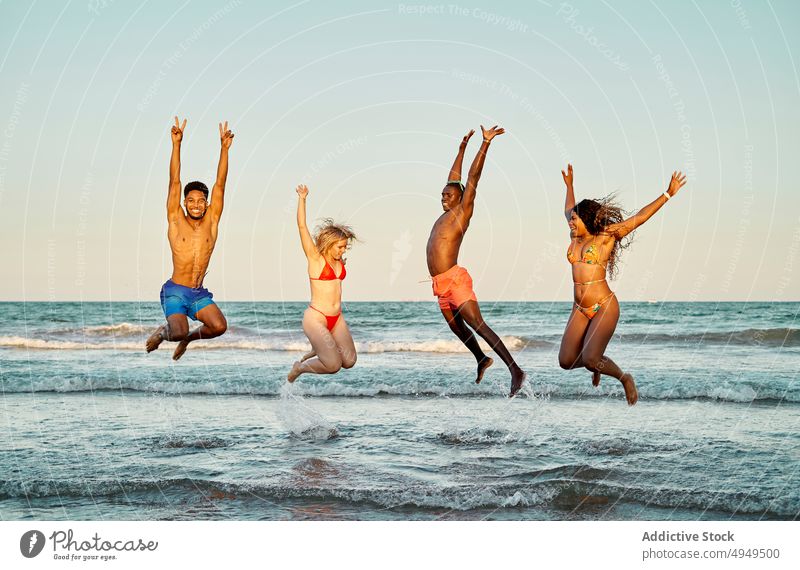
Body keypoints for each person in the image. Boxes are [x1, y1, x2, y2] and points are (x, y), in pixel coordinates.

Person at [558, 163, 687, 405]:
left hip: (604, 305)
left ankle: (623, 377)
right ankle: (595, 361)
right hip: (580, 309)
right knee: (566, 361)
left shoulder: (606, 236)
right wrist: (570, 185)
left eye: (575, 219)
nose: (570, 222)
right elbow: (567, 209)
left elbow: (639, 218)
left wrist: (667, 194)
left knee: (590, 359)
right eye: (571, 219)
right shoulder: (574, 236)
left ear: (586, 218)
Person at [426, 126, 526, 397]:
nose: (444, 197)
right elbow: (454, 179)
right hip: (440, 284)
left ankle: (515, 370)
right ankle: (482, 359)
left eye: (448, 194)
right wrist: (460, 149)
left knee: (476, 323)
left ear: (460, 197)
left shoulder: (462, 211)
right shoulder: (445, 212)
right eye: (442, 194)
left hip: (455, 280)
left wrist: (484, 143)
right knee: (456, 326)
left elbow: (471, 178)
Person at [145, 117, 233, 360]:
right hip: (175, 291)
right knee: (177, 329)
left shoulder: (211, 222)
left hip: (198, 293)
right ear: (185, 202)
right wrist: (176, 144)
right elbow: (174, 182)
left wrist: (224, 149)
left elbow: (220, 185)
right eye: (191, 200)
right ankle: (165, 333)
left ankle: (187, 341)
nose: (196, 205)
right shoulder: (176, 219)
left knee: (219, 327)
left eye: (200, 201)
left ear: (206, 204)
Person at [287, 184, 358, 382]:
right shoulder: (315, 259)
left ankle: (318, 348)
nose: (343, 251)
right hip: (316, 319)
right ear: (329, 243)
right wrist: (302, 198)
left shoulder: (338, 262)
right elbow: (302, 226)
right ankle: (300, 368)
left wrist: (341, 260)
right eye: (340, 247)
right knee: (333, 365)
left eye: (345, 247)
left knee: (350, 360)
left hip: (336, 319)